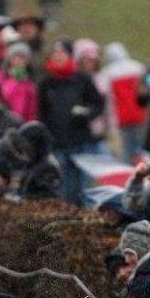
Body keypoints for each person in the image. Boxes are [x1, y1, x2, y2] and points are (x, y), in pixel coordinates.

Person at [37, 39, 106, 205]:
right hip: (57, 142)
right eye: (56, 53)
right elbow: (42, 113)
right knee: (64, 187)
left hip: (81, 141)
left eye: (62, 53)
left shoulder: (82, 79)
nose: (59, 56)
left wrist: (87, 113)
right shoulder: (46, 83)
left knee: (84, 187)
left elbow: (98, 103)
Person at [97, 42, 146, 164]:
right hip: (141, 116)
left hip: (120, 120)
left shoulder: (107, 73)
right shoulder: (138, 67)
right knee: (142, 152)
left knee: (124, 155)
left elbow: (101, 93)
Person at [0, 121, 62, 199]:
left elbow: (44, 199)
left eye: (25, 146)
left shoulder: (48, 168)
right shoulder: (29, 162)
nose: (22, 149)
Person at [0, 42, 38, 122]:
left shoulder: (30, 84)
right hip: (2, 123)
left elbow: (32, 110)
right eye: (15, 57)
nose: (18, 61)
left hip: (23, 124)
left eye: (22, 57)